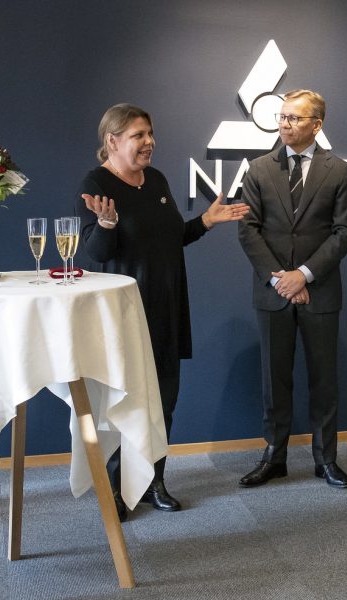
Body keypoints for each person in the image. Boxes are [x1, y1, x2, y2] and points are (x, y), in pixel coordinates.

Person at [78, 103, 250, 520]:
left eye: (150, 133)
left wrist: (205, 221)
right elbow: (96, 253)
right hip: (124, 312)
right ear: (112, 140)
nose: (149, 142)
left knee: (163, 401)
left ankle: (154, 481)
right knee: (123, 402)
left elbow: (172, 237)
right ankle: (117, 487)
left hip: (167, 306)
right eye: (138, 135)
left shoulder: (155, 179)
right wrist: (106, 224)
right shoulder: (97, 183)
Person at [237, 89, 347, 489]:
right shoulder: (258, 169)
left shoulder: (338, 171)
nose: (284, 124)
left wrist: (303, 275)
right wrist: (281, 280)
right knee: (275, 381)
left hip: (320, 291)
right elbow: (248, 230)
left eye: (294, 118)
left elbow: (344, 232)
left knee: (324, 380)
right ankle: (274, 457)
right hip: (272, 293)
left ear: (316, 125)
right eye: (282, 116)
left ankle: (326, 460)